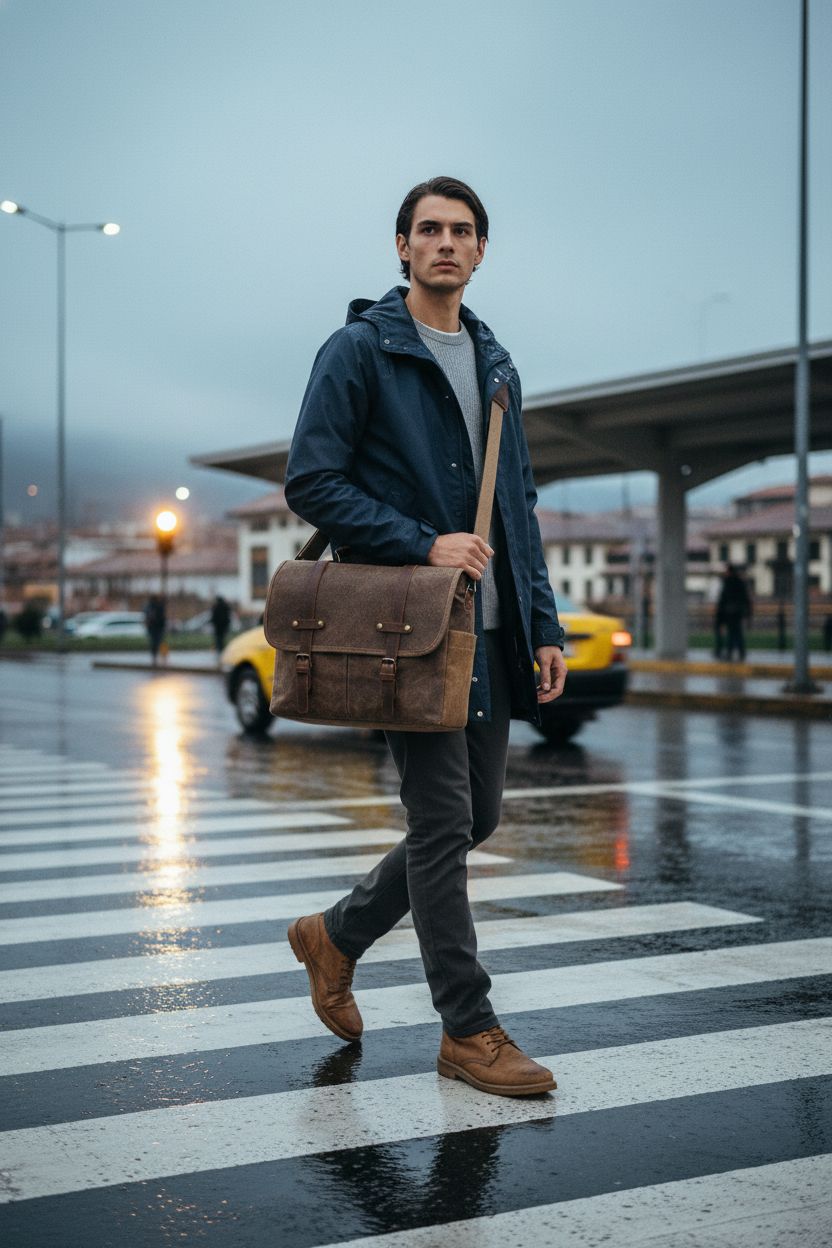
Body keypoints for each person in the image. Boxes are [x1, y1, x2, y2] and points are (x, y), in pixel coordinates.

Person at [283, 176, 567, 1098]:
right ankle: (468, 1029)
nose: (447, 243)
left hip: (486, 633)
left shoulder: (497, 364)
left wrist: (545, 625)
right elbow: (312, 481)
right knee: (442, 821)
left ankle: (337, 934)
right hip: (406, 629)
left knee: (476, 818)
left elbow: (516, 508)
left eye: (464, 231)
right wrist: (421, 540)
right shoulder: (361, 350)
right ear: (402, 247)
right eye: (429, 230)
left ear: (482, 252)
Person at [716, 564, 752, 662]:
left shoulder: (728, 583)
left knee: (732, 633)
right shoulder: (740, 582)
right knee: (737, 633)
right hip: (738, 612)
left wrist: (720, 614)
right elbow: (746, 599)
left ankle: (730, 652)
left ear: (729, 572)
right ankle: (740, 652)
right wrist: (748, 612)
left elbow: (723, 600)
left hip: (730, 612)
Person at [144, 593, 167, 667]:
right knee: (160, 642)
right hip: (157, 627)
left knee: (155, 643)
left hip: (153, 628)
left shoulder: (149, 606)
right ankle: (162, 657)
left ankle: (156, 658)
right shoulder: (159, 605)